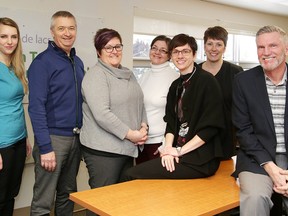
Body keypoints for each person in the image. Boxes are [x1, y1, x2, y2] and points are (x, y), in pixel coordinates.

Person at [123, 33, 225, 180]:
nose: (180, 56)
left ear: (194, 54)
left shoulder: (207, 82)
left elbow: (210, 129)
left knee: (131, 175)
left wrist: (179, 151)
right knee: (138, 177)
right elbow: (171, 123)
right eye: (176, 52)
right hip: (180, 153)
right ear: (171, 56)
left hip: (199, 159)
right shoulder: (176, 86)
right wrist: (168, 149)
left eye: (185, 51)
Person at [80, 28, 148, 201]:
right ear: (98, 51)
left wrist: (143, 127)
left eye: (118, 46)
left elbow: (139, 101)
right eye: (108, 47)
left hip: (126, 148)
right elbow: (102, 114)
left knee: (121, 202)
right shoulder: (96, 75)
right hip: (103, 151)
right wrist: (132, 134)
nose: (114, 51)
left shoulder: (128, 73)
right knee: (102, 202)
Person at [28, 11, 84, 216]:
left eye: (71, 28)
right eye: (61, 28)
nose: (67, 33)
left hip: (75, 139)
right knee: (44, 200)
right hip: (53, 140)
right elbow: (35, 108)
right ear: (52, 32)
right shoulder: (42, 63)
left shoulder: (77, 62)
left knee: (67, 194)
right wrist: (45, 147)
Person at [232, 25, 288, 216]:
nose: (266, 52)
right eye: (260, 47)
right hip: (257, 158)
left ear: (286, 49)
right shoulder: (243, 81)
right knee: (255, 198)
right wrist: (270, 167)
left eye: (273, 46)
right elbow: (243, 130)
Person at [0, 17, 31, 216]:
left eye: (13, 36)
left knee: (11, 194)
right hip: (2, 143)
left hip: (18, 140)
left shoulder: (15, 67)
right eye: (3, 36)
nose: (9, 41)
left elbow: (18, 106)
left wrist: (26, 136)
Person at [199, 26, 243, 160]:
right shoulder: (194, 72)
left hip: (227, 138)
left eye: (219, 44)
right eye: (210, 44)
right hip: (199, 138)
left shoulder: (236, 72)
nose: (213, 49)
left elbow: (242, 107)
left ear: (225, 48)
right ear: (204, 46)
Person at [136, 35, 179, 164]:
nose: (157, 52)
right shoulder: (144, 76)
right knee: (138, 183)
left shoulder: (174, 79)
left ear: (169, 55)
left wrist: (166, 144)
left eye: (163, 50)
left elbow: (177, 117)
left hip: (159, 145)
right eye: (154, 48)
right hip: (140, 143)